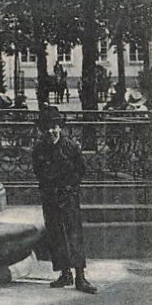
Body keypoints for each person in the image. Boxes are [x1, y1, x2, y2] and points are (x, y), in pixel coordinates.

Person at [32, 106, 97, 293]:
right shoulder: (39, 149)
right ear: (42, 130)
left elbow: (81, 170)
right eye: (47, 128)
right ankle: (64, 273)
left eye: (54, 127)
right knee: (55, 234)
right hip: (50, 196)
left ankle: (80, 277)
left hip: (68, 196)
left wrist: (70, 189)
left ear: (60, 127)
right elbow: (38, 172)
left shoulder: (71, 147)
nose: (51, 131)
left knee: (73, 234)